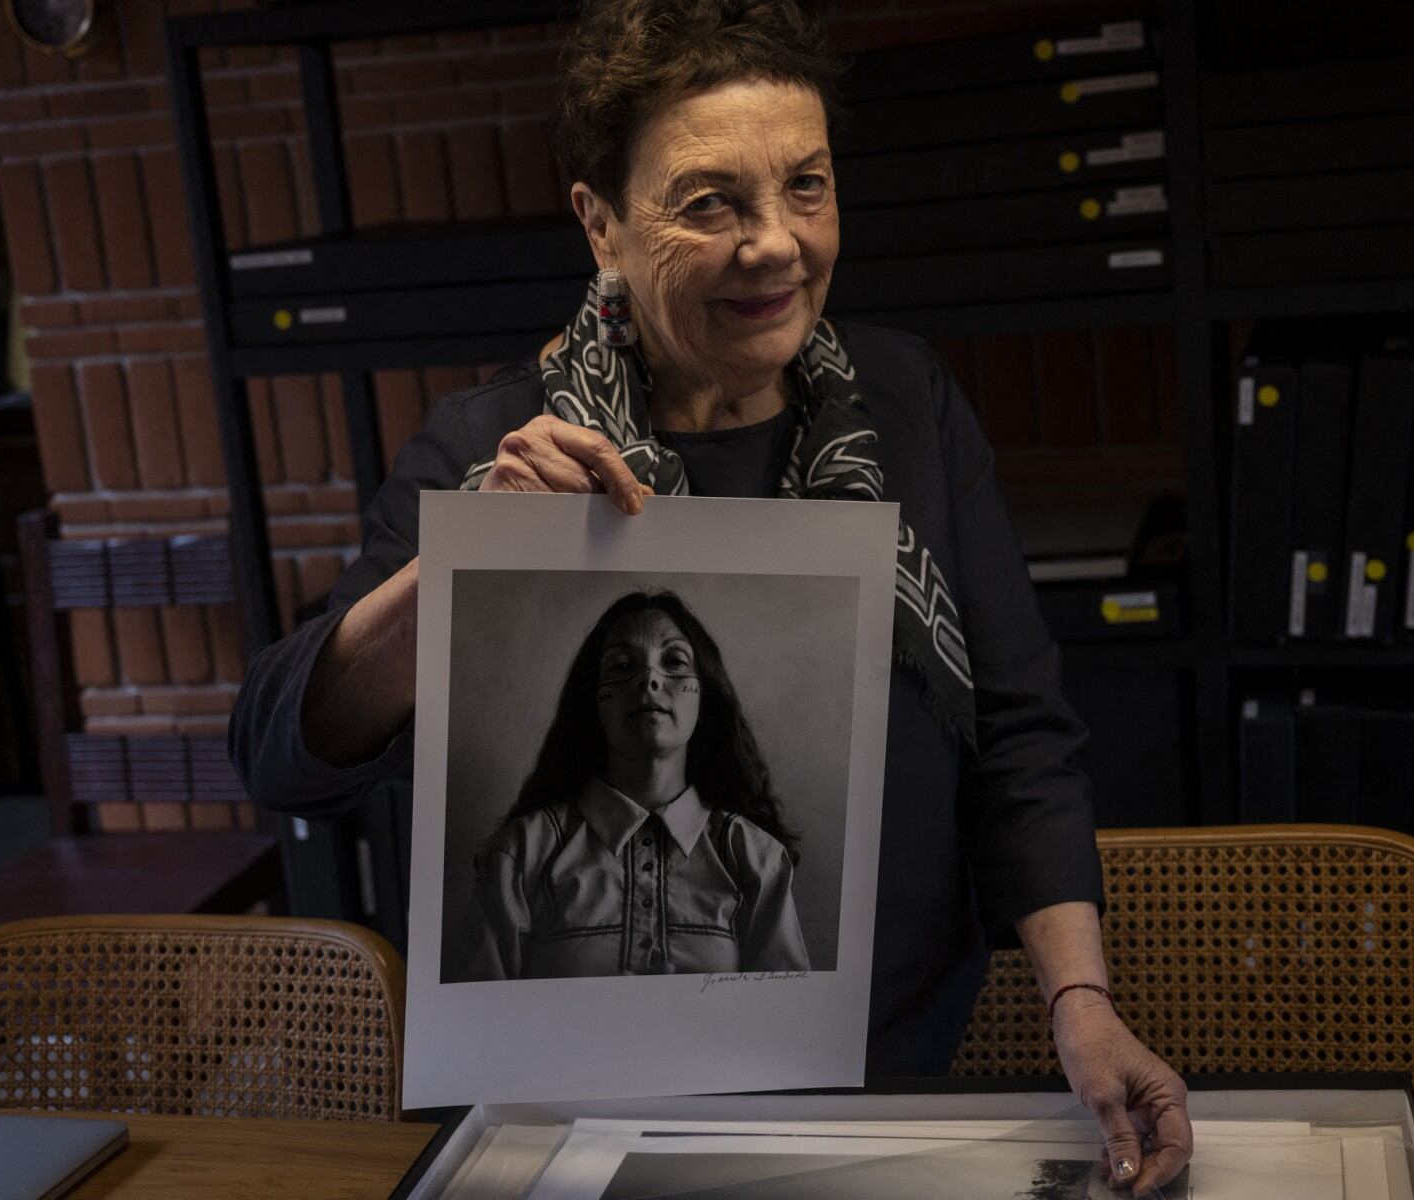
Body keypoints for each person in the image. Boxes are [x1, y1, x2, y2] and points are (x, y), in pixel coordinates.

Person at [230, 0, 1192, 1190]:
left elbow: (1022, 735)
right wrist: (466, 565)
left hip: (886, 1080)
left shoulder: (904, 405)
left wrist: (1081, 1005)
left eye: (806, 186)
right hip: (589, 1117)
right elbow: (280, 748)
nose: (777, 244)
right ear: (600, 225)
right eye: (710, 202)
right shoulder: (492, 446)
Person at [449, 589, 810, 980]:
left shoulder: (755, 860)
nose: (649, 679)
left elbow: (781, 1027)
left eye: (674, 661)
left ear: (705, 696)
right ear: (593, 701)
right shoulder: (520, 856)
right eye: (622, 665)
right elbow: (481, 1025)